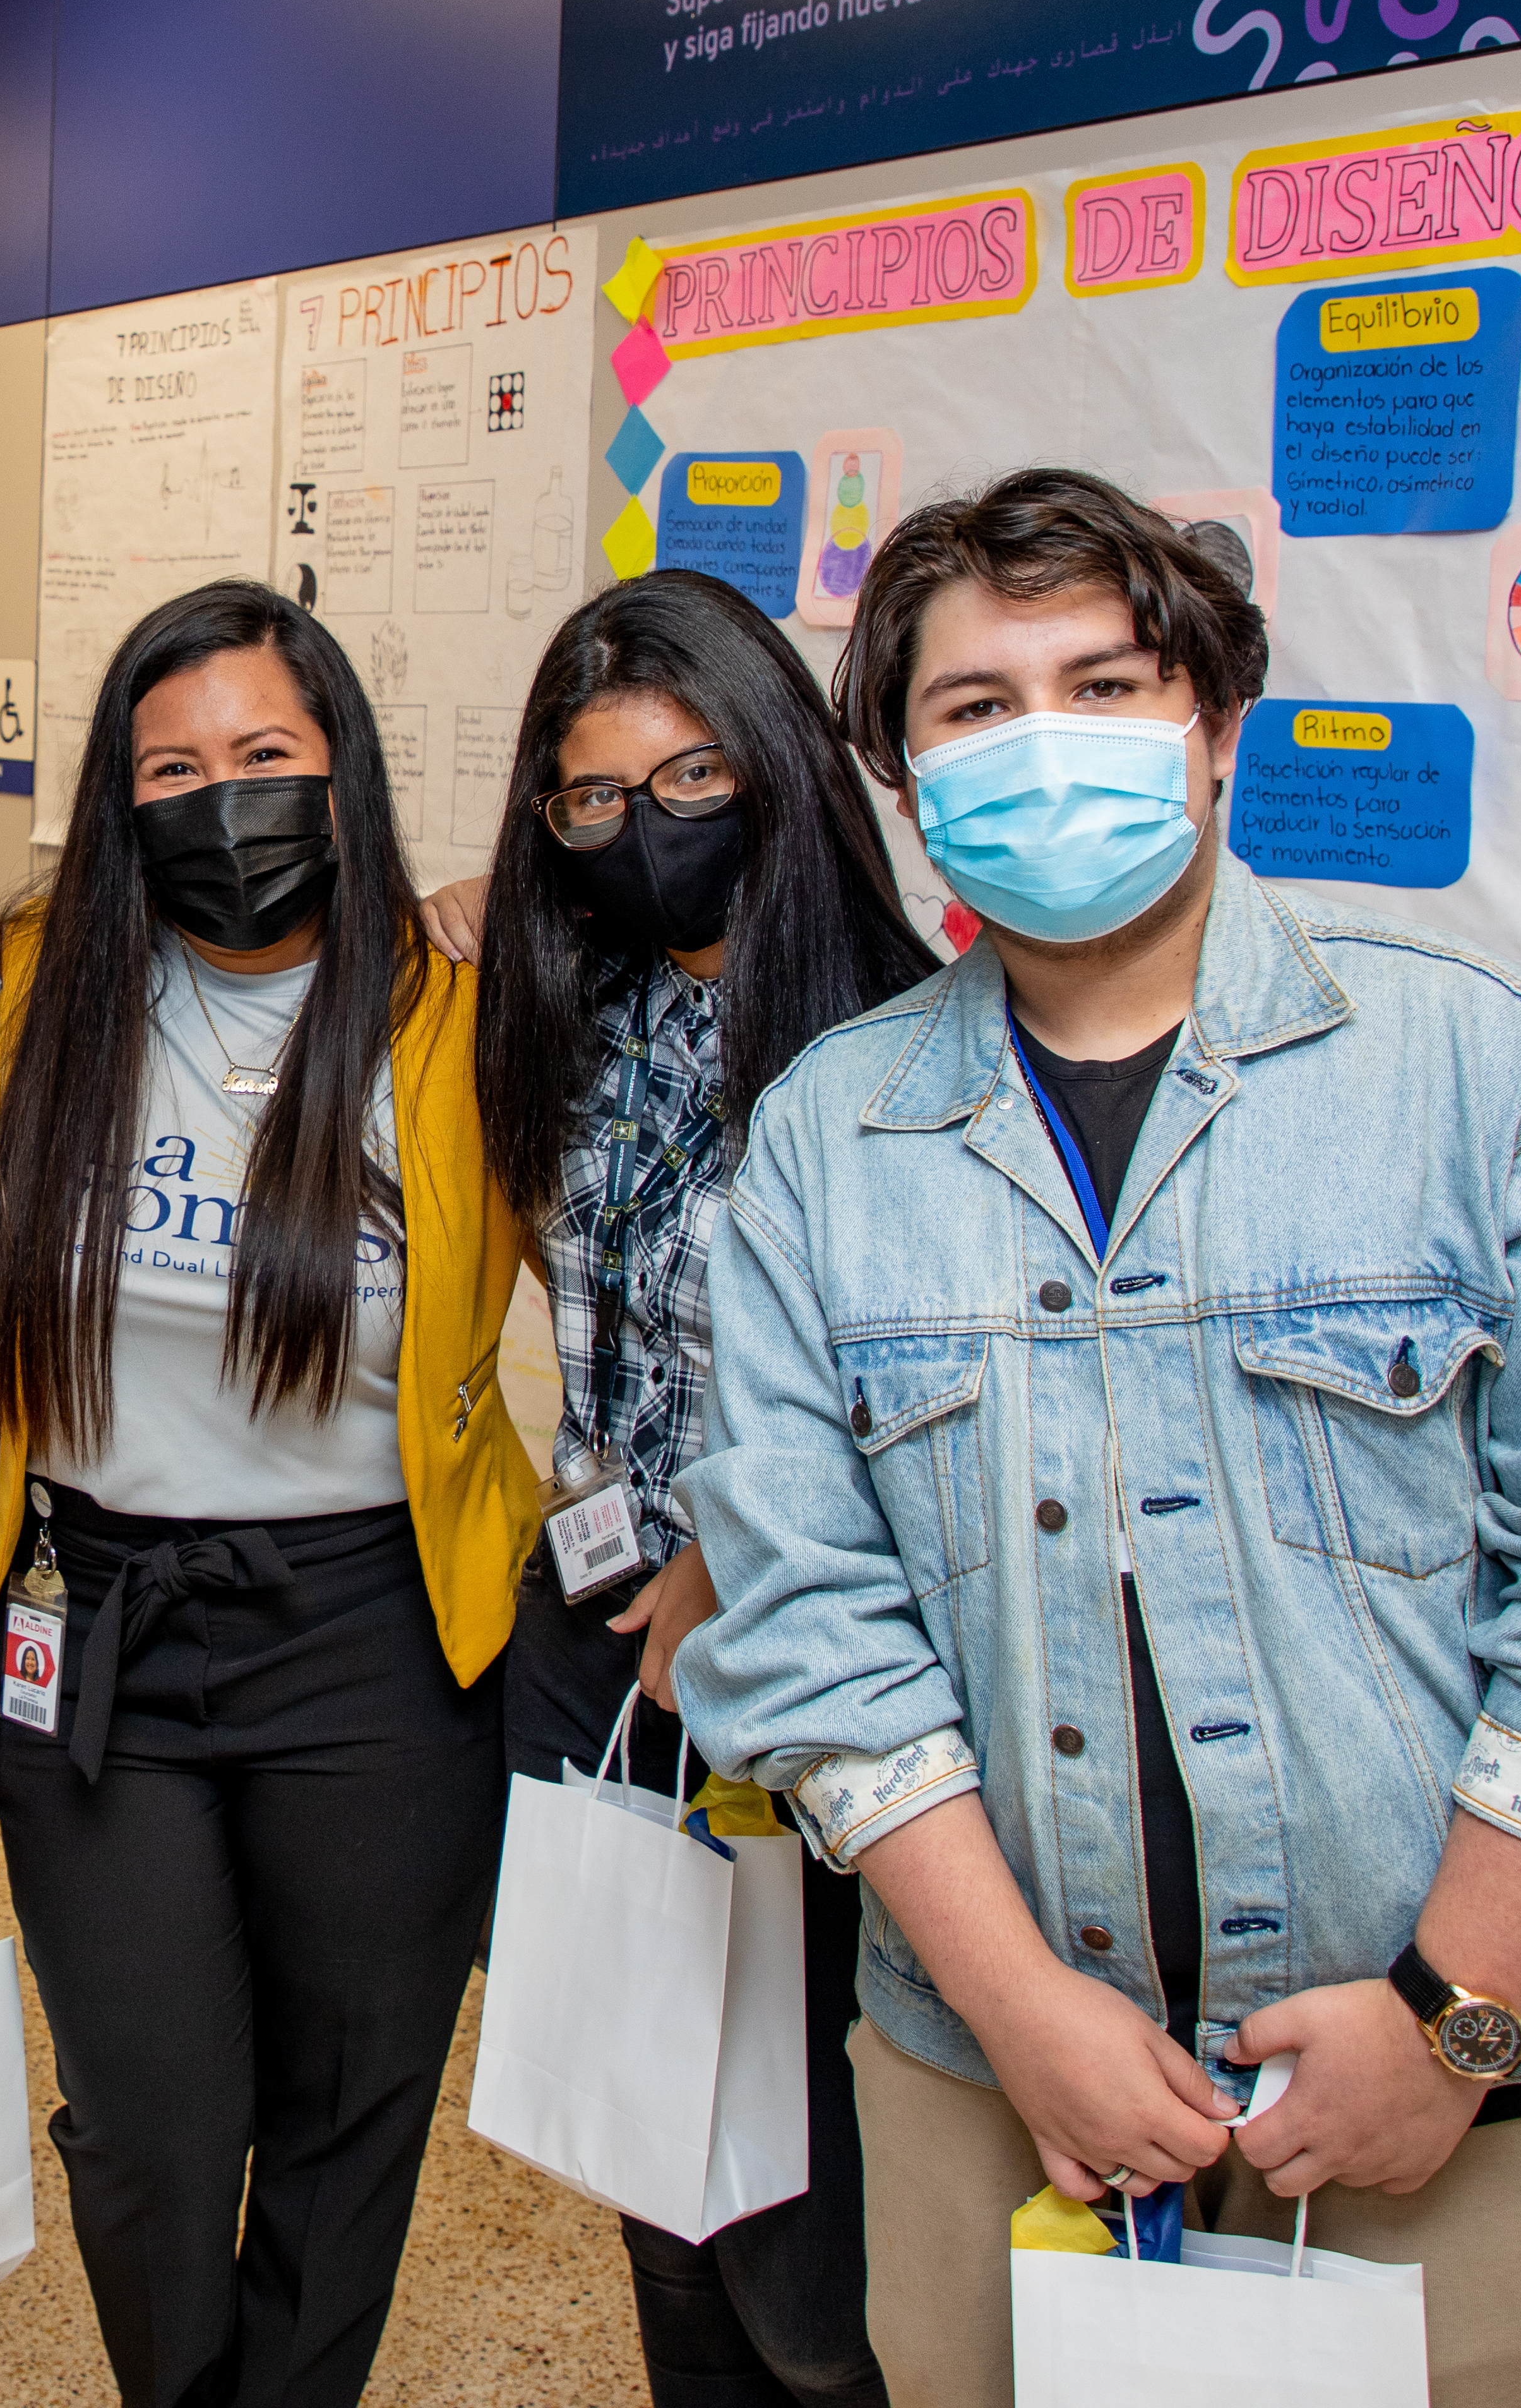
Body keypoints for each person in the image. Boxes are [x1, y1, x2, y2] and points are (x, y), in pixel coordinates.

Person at [670, 470, 1521, 2408]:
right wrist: (1021, 2005)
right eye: (975, 709)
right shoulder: (826, 1138)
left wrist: (1449, 2018)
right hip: (1000, 2089)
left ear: (1216, 731)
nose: (1044, 743)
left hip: (1440, 2092)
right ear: (899, 772)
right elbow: (810, 1624)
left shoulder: (1484, 1071)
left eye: (1106, 684)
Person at [0, 579, 532, 2408]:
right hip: (94, 1621)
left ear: (342, 763)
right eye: (173, 766)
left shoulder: (458, 1004)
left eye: (267, 754)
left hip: (374, 1629)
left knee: (346, 2107)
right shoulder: (40, 978)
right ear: (119, 800)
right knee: (144, 2118)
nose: (224, 797)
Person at [474, 573, 936, 2408]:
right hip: (595, 1640)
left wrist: (733, 1567)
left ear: (783, 771)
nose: (640, 832)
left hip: (803, 1672)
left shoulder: (908, 1044)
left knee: (812, 2247)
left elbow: (921, 1402)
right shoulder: (569, 1008)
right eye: (590, 801)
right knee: (657, 2166)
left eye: (688, 782)